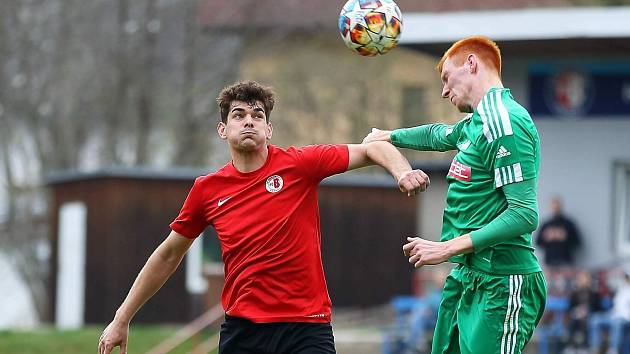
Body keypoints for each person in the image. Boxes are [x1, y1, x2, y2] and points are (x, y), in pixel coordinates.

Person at [97, 80, 430, 354]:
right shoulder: (207, 190)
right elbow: (169, 254)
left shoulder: (299, 165)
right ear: (222, 129)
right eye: (239, 115)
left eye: (257, 115)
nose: (248, 121)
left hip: (306, 328)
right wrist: (121, 318)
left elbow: (373, 146)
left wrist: (403, 172)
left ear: (269, 129)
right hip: (244, 333)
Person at [363, 35, 547, 354]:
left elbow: (524, 214)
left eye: (447, 78)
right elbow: (438, 135)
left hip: (502, 281)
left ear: (471, 64)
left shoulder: (506, 122)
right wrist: (389, 136)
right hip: (468, 276)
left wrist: (446, 248)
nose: (444, 91)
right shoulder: (477, 122)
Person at [589, 267, 630, 354]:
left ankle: (613, 350)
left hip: (626, 319)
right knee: (595, 319)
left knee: (617, 322)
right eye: (625, 276)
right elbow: (616, 306)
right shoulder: (622, 289)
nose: (626, 279)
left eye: (627, 276)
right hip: (614, 315)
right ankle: (595, 349)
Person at [536, 197, 582, 267]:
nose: (555, 208)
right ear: (550, 207)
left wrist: (565, 237)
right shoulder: (546, 224)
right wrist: (547, 237)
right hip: (550, 262)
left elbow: (577, 242)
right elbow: (538, 242)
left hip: (565, 261)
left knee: (566, 278)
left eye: (557, 205)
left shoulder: (569, 224)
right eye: (553, 206)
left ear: (561, 206)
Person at [566, 270, 603, 350]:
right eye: (581, 279)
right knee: (573, 321)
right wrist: (577, 311)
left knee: (589, 322)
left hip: (591, 316)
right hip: (576, 316)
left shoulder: (594, 293)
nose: (583, 281)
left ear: (589, 280)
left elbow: (599, 308)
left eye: (585, 279)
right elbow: (569, 308)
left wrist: (588, 310)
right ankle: (572, 346)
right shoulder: (574, 293)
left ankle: (586, 346)